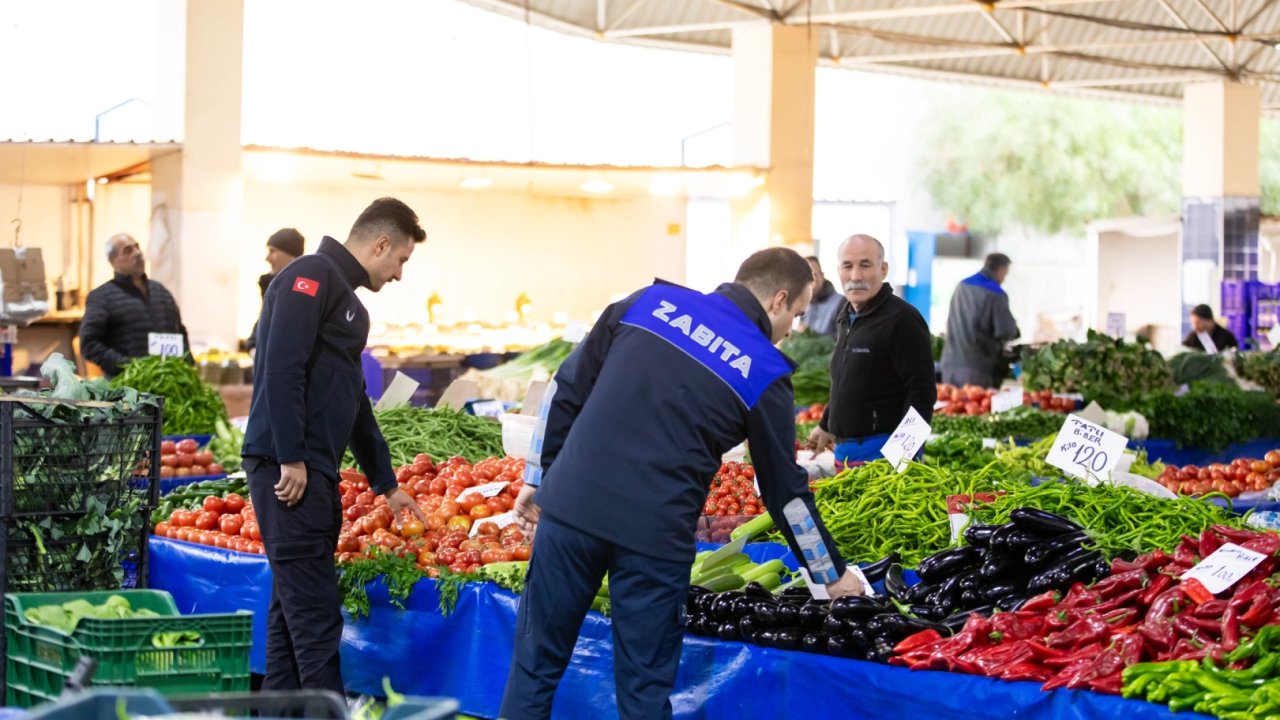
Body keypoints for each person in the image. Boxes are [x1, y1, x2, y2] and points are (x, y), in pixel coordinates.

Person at [500, 247, 864, 720]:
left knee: (534, 668)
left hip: (570, 512)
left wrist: (541, 478)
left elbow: (565, 388)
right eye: (795, 314)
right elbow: (785, 494)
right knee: (643, 693)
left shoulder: (646, 303)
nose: (792, 330)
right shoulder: (765, 371)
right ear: (777, 301)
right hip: (653, 537)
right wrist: (829, 573)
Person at [240, 198, 428, 694]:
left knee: (290, 622)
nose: (399, 275)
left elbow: (355, 402)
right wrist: (291, 456)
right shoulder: (312, 275)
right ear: (381, 243)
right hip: (289, 473)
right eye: (402, 260)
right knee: (317, 624)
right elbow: (281, 367)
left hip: (314, 472)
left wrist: (387, 485)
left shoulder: (345, 299)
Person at [807, 234, 937, 465]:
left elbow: (922, 392)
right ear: (839, 271)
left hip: (882, 455)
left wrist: (901, 457)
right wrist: (827, 424)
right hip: (845, 453)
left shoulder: (902, 319)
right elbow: (845, 381)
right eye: (848, 266)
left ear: (883, 269)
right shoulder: (846, 315)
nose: (855, 275)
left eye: (865, 265)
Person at [79, 233, 189, 377]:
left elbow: (180, 333)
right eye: (127, 250)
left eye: (137, 247)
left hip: (169, 383)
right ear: (113, 261)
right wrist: (129, 367)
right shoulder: (101, 297)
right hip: (128, 387)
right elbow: (89, 344)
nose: (137, 253)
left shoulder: (161, 292)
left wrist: (188, 369)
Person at [939, 253, 1021, 388]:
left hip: (949, 364)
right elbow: (1006, 331)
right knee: (974, 407)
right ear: (1001, 270)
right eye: (1005, 274)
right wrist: (1015, 330)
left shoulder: (962, 286)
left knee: (951, 406)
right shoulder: (996, 293)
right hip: (976, 368)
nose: (1004, 279)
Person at [244, 228, 305, 352]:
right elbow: (263, 320)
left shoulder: (304, 293)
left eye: (272, 251)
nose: (267, 258)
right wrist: (252, 346)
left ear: (291, 255)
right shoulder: (269, 285)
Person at [799, 255, 843, 338]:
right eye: (806, 276)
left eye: (815, 274)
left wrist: (811, 335)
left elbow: (843, 338)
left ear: (822, 275)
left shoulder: (841, 302)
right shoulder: (804, 303)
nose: (811, 280)